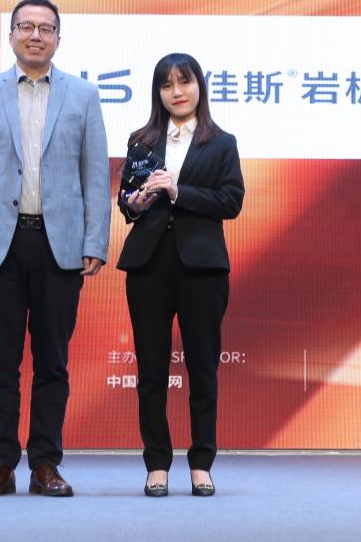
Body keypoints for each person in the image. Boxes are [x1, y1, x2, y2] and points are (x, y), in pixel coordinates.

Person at [0, 0, 110, 498]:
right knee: (0, 363)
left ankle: (45, 465)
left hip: (59, 247)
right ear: (12, 35)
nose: (35, 35)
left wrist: (95, 241)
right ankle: (0, 465)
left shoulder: (83, 95)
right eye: (26, 26)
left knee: (52, 363)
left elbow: (94, 174)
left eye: (46, 28)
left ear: (59, 38)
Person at [117, 53, 244, 497]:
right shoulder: (141, 140)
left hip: (202, 269)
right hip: (148, 266)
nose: (177, 92)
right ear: (158, 93)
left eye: (184, 82)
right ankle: (156, 464)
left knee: (203, 369)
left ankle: (201, 464)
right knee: (151, 371)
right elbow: (127, 201)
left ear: (199, 87)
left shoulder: (222, 143)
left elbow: (231, 202)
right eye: (167, 84)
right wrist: (134, 204)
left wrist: (178, 191)